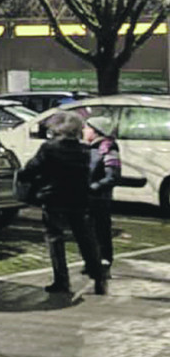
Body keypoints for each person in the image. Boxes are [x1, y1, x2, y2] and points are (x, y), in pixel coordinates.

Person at [21, 111, 105, 296]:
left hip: (54, 197)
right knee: (85, 237)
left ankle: (61, 280)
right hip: (79, 198)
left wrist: (24, 177)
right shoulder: (84, 150)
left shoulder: (49, 148)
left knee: (55, 238)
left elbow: (32, 168)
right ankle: (97, 274)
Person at [86, 121, 122, 281]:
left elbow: (112, 176)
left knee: (101, 230)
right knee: (88, 231)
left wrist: (93, 187)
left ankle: (104, 261)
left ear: (96, 131)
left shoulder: (108, 148)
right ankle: (92, 262)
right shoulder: (89, 148)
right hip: (87, 198)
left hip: (99, 198)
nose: (84, 131)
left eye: (87, 128)